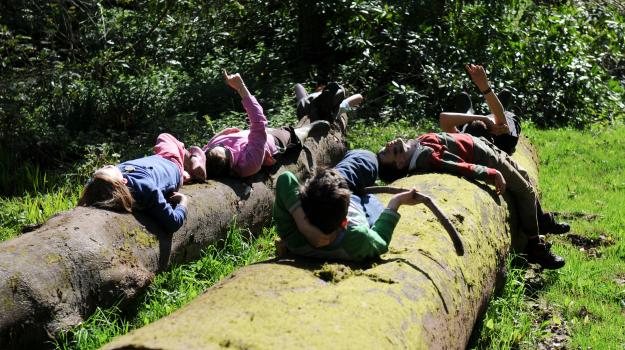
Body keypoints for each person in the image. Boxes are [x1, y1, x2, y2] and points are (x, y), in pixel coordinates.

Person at [376, 132, 566, 269]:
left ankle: (541, 219)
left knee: (525, 177)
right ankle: (535, 245)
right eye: (387, 152)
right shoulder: (426, 158)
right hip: (486, 159)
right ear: (400, 163)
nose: (388, 145)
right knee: (525, 191)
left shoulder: (417, 144)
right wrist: (490, 173)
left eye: (384, 147)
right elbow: (458, 166)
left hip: (485, 147)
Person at [439, 65, 569, 235]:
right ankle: (478, 110)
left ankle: (472, 111)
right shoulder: (486, 138)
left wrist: (482, 113)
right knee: (505, 116)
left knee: (502, 117)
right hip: (494, 127)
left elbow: (445, 120)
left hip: (494, 128)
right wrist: (484, 92)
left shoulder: (494, 134)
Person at [273, 150, 423, 261]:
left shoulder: (292, 233)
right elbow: (381, 241)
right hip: (353, 202)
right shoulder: (357, 238)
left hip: (331, 197)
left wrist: (303, 224)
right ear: (345, 222)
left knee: (354, 166)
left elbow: (285, 178)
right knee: (366, 161)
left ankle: (364, 158)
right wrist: (395, 202)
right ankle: (368, 157)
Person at [202, 70, 331, 178]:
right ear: (230, 163)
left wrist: (224, 133)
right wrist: (241, 88)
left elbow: (201, 150)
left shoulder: (208, 155)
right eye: (227, 150)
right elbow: (258, 122)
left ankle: (308, 101)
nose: (224, 146)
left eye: (220, 145)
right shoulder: (247, 163)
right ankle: (308, 128)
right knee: (291, 133)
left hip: (251, 135)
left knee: (301, 95)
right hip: (272, 142)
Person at [78, 133, 190, 233]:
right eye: (108, 167)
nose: (103, 167)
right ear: (124, 181)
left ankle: (187, 165)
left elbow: (91, 187)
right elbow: (173, 223)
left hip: (157, 162)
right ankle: (192, 159)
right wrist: (183, 202)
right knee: (165, 137)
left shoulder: (99, 184)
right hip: (170, 162)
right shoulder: (145, 188)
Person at [439, 64, 521, 155]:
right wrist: (484, 86)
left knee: (492, 117)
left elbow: (443, 118)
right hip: (506, 121)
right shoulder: (503, 139)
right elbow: (500, 116)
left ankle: (468, 113)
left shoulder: (465, 142)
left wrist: (484, 119)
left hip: (477, 130)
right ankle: (497, 107)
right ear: (492, 137)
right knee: (501, 116)